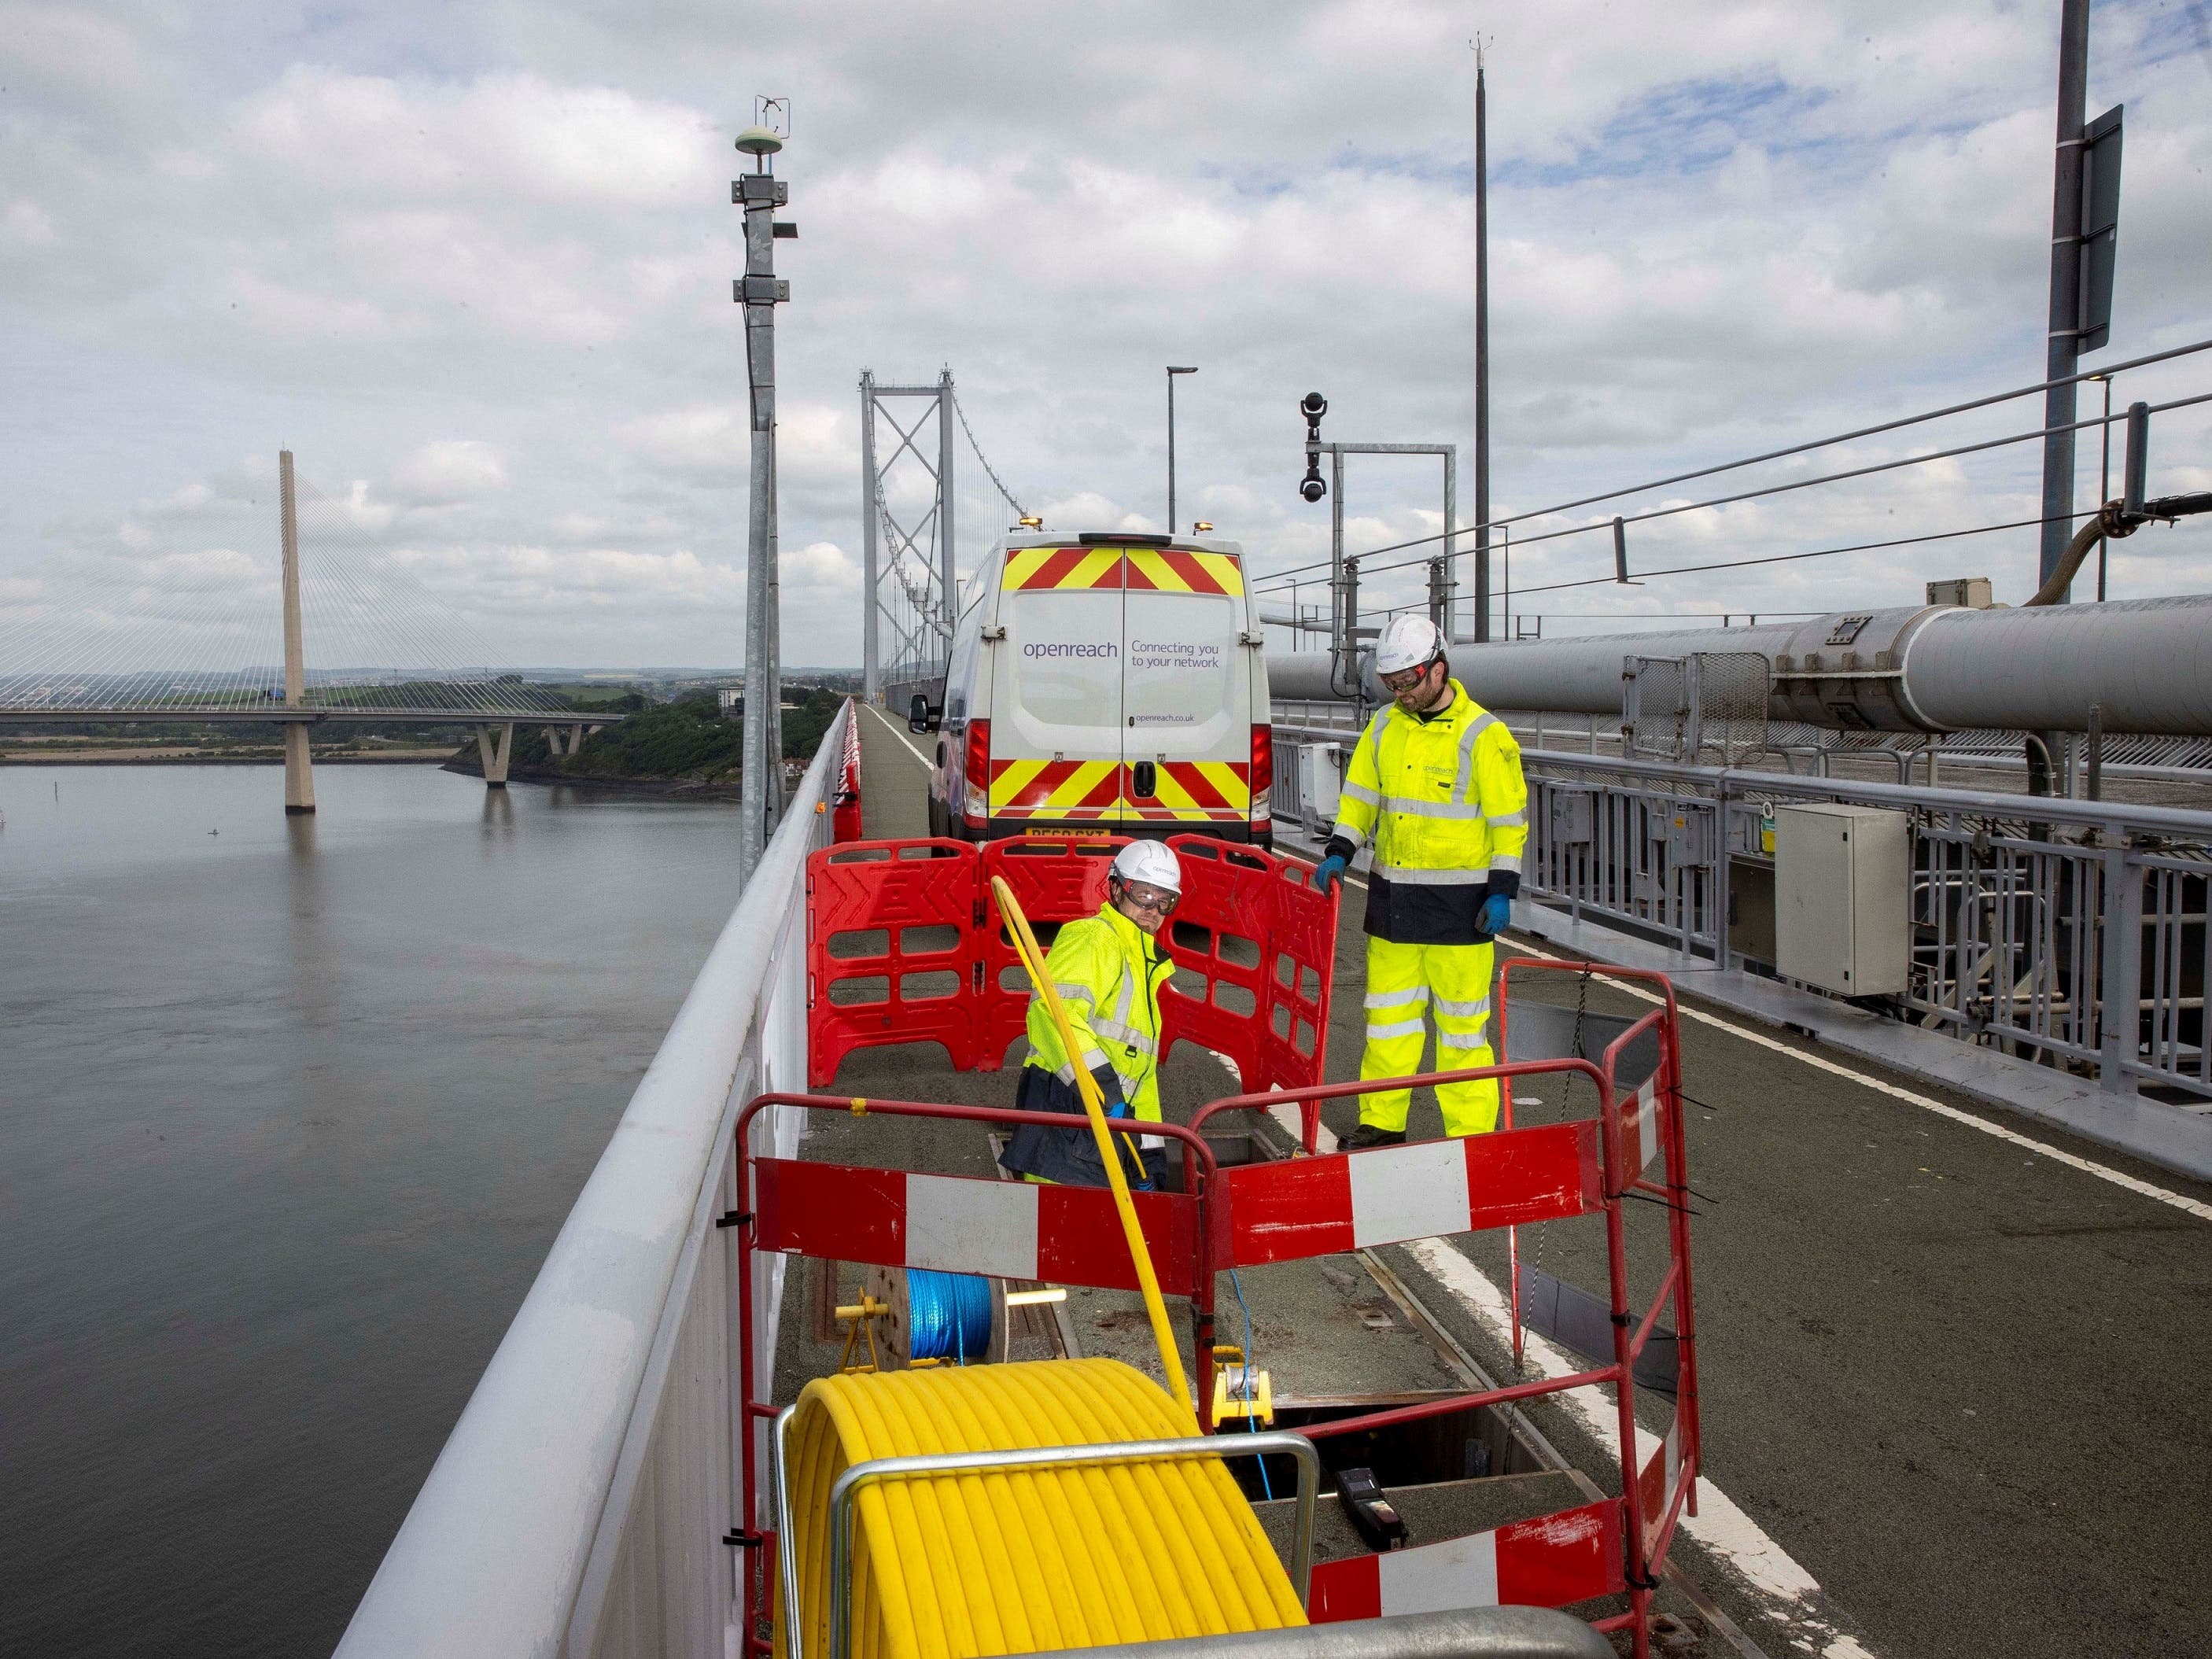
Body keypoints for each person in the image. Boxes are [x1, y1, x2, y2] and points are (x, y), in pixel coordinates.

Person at [1311, 615, 1528, 1148]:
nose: (1403, 693)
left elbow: (1508, 820)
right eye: (1393, 684)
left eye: (1410, 680)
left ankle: (1473, 1135)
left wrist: (1502, 889)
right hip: (1393, 902)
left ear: (1439, 667)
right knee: (1389, 1021)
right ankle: (1383, 1122)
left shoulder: (1484, 734)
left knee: (1461, 1028)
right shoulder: (1384, 727)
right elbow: (1361, 795)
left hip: (1462, 908)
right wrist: (1341, 849)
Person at [1000, 839, 1182, 1188]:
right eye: (1144, 894)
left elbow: (1140, 1077)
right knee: (1060, 1228)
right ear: (1116, 887)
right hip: (1066, 1116)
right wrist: (1104, 1089)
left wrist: (1149, 1155)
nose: (1153, 909)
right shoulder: (1094, 938)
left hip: (1105, 1125)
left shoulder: (1143, 962)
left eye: (1165, 900)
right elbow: (1055, 1015)